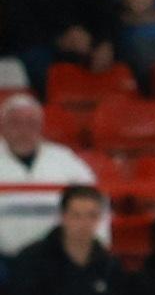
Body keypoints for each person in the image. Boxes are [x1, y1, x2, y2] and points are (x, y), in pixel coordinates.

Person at [0, 96, 99, 264]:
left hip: (58, 259)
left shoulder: (64, 158)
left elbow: (93, 198)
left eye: (31, 123)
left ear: (40, 127)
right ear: (3, 126)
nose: (24, 130)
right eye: (16, 123)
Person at [6, 186, 125, 295]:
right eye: (76, 215)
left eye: (92, 215)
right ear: (63, 216)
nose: (84, 223)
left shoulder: (109, 265)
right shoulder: (31, 260)